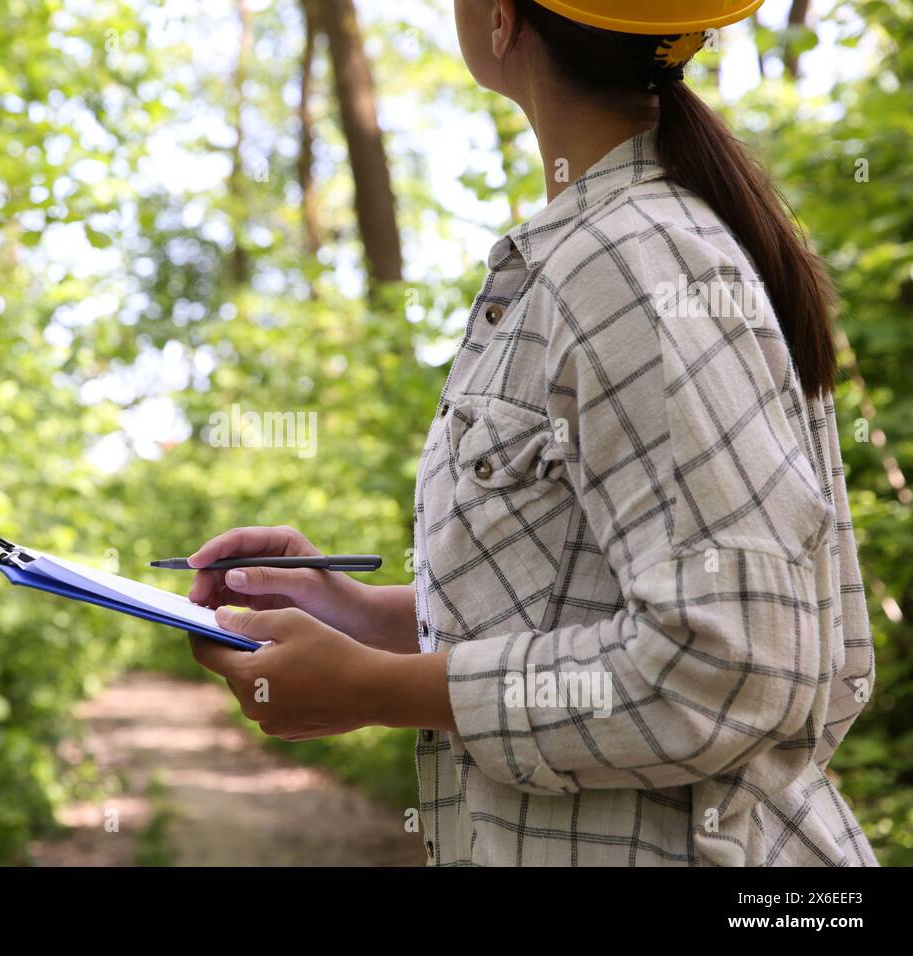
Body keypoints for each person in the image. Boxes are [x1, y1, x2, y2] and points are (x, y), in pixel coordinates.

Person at [186, 0, 877, 866]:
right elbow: (594, 606)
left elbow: (730, 667)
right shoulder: (600, 248)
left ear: (503, 21)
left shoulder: (634, 260)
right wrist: (362, 618)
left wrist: (376, 689)